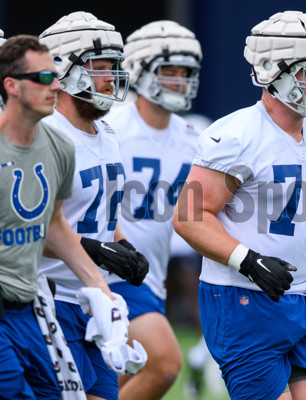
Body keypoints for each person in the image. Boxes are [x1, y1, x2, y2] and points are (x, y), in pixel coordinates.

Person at [173, 10, 306, 400]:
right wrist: (247, 260)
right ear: (272, 70)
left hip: (302, 297)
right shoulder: (235, 135)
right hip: (241, 299)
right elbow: (190, 216)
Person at [38, 11, 149, 400]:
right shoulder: (45, 134)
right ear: (61, 69)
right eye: (99, 67)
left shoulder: (108, 133)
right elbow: (27, 226)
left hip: (93, 300)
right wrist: (94, 249)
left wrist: (124, 245)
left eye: (114, 66)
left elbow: (102, 211)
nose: (111, 77)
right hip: (49, 299)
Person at [0, 34, 116, 400]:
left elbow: (53, 224)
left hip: (29, 305)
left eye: (56, 74)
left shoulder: (58, 145)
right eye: (45, 77)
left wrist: (100, 289)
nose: (57, 85)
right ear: (12, 86)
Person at [103, 20, 203, 399]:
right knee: (163, 363)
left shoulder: (196, 138)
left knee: (115, 382)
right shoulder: (109, 126)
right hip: (108, 273)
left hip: (153, 275)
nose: (179, 80)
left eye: (186, 72)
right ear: (139, 69)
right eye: (169, 71)